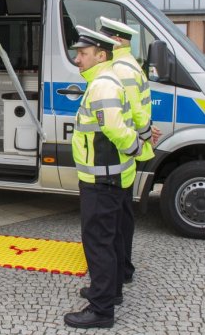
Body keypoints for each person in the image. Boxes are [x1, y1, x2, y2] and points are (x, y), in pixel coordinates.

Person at [64, 26, 143, 330]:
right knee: (108, 240)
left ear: (101, 54)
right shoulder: (105, 80)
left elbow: (114, 128)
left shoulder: (103, 85)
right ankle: (108, 292)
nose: (77, 59)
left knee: (99, 243)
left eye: (83, 54)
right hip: (108, 178)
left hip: (101, 181)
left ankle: (101, 311)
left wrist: (136, 146)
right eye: (78, 53)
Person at [94, 16, 162, 286]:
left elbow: (131, 109)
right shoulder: (129, 63)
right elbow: (139, 108)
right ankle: (124, 269)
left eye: (103, 39)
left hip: (121, 149)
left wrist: (143, 135)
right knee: (123, 216)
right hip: (131, 148)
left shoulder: (119, 68)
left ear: (117, 41)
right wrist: (146, 131)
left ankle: (119, 273)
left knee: (117, 220)